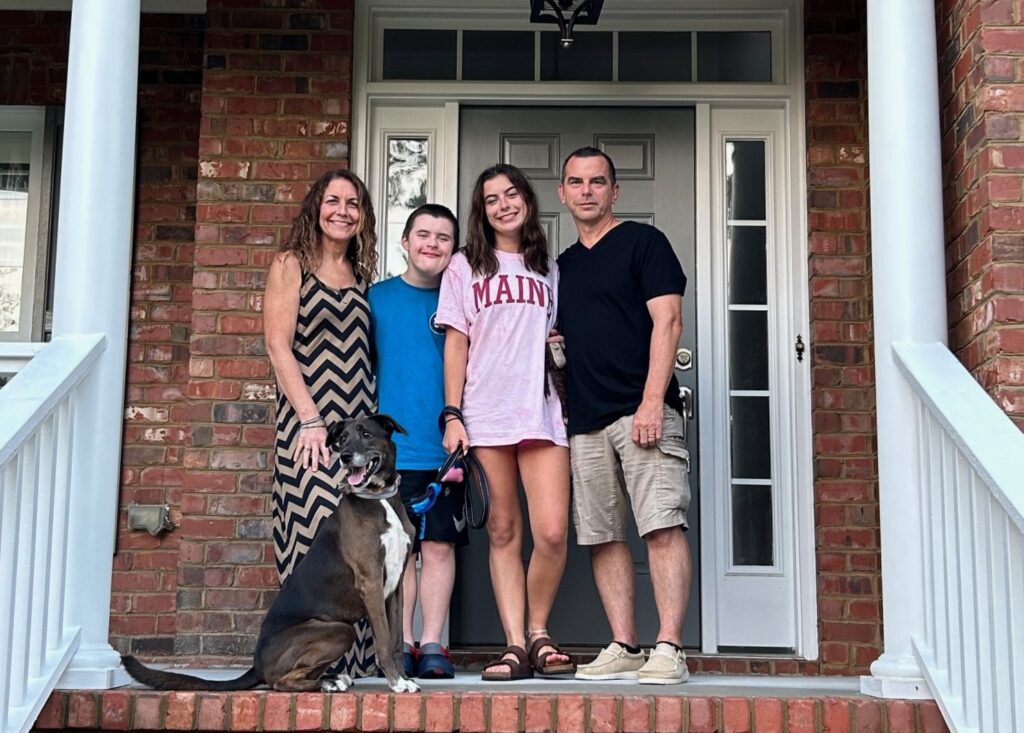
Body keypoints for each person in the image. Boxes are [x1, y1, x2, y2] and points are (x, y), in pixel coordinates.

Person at [556, 147, 693, 685]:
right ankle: (625, 644)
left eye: (598, 181)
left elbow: (670, 322)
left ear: (615, 191)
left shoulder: (644, 243)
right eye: (576, 182)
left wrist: (652, 401)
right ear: (563, 193)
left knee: (661, 525)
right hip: (585, 420)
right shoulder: (562, 266)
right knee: (602, 534)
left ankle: (670, 647)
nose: (586, 190)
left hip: (642, 411)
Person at [436, 163, 574, 681]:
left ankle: (539, 631)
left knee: (554, 533)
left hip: (541, 410)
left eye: (510, 194)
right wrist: (453, 413)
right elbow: (456, 341)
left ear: (527, 201)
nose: (502, 205)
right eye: (491, 198)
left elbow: (551, 335)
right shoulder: (464, 266)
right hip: (487, 413)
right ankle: (515, 644)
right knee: (503, 531)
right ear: (482, 210)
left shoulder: (548, 268)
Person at [264, 169, 380, 678]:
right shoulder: (292, 265)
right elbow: (277, 346)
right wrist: (310, 420)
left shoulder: (361, 276)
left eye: (353, 203)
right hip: (311, 426)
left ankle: (355, 663)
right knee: (316, 539)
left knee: (360, 544)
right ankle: (309, 663)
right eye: (333, 201)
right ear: (316, 208)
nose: (342, 211)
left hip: (357, 430)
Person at [367, 203, 467, 680]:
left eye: (443, 237)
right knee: (401, 550)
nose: (432, 244)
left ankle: (432, 643)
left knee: (440, 546)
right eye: (422, 234)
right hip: (394, 452)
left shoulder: (461, 299)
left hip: (446, 444)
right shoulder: (376, 299)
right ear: (404, 242)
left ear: (454, 249)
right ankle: (401, 640)